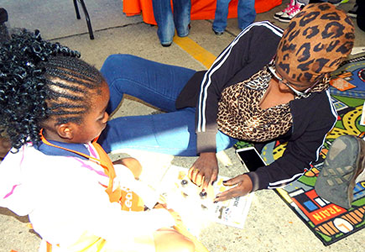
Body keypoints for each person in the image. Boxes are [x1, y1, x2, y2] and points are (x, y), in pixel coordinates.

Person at [98, 3, 355, 203]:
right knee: (117, 66)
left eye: (296, 86)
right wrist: (206, 150)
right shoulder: (261, 36)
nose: (283, 85)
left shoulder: (321, 112)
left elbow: (299, 159)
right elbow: (212, 82)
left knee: (114, 132)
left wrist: (255, 180)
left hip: (223, 130)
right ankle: (78, 126)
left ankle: (76, 155)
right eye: (278, 72)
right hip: (197, 91)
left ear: (325, 74)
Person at [0, 29, 196, 252]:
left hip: (91, 198)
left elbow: (96, 172)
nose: (107, 116)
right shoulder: (69, 181)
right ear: (66, 129)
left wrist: (149, 199)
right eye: (101, 113)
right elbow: (112, 225)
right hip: (86, 237)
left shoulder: (47, 134)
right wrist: (162, 217)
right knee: (181, 246)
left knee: (132, 164)